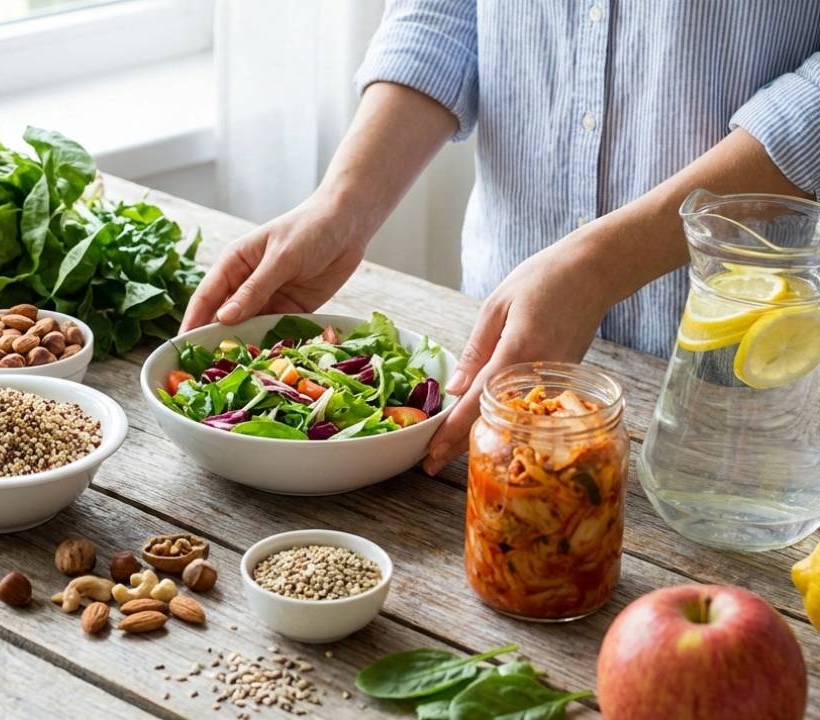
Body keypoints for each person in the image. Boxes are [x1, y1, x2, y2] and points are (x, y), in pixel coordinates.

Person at [181, 2, 820, 475]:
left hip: (746, 381)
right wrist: (341, 206)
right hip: (495, 342)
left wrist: (600, 265)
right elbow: (444, 11)